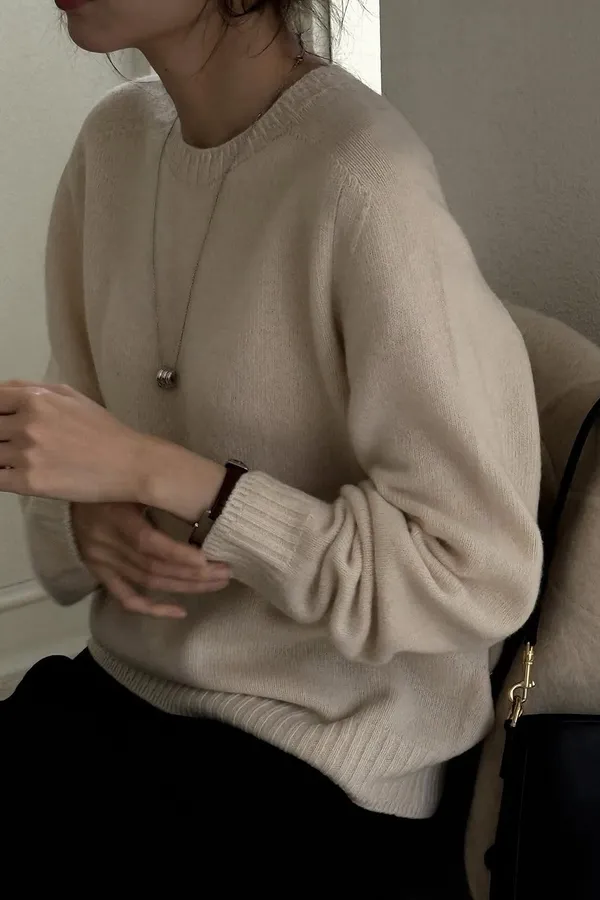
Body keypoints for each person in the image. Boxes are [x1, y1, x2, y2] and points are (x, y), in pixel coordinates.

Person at [0, 0, 542, 891]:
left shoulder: (364, 179)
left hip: (326, 761)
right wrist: (89, 510)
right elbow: (72, 440)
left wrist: (169, 478)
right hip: (129, 692)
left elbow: (472, 572)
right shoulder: (112, 146)